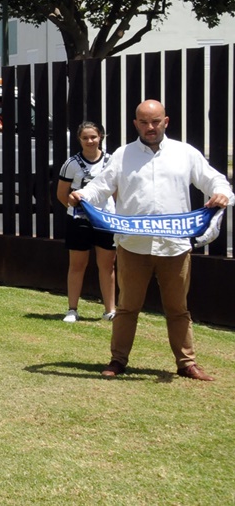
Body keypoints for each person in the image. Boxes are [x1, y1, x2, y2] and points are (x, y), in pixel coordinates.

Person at [70, 100, 232, 381]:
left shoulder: (185, 153)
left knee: (178, 309)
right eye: (144, 122)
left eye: (155, 121)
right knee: (126, 308)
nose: (150, 127)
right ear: (136, 124)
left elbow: (215, 179)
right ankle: (118, 360)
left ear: (166, 122)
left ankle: (186, 363)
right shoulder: (123, 155)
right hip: (133, 246)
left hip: (175, 248)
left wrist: (220, 193)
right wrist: (83, 196)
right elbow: (101, 186)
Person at [55, 121, 117, 323]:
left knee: (107, 265)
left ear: (101, 137)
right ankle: (72, 309)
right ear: (79, 140)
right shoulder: (71, 164)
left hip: (106, 220)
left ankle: (110, 310)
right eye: (85, 138)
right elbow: (61, 194)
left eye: (94, 137)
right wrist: (77, 210)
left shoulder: (111, 162)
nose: (90, 141)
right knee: (77, 265)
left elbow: (116, 192)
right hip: (79, 220)